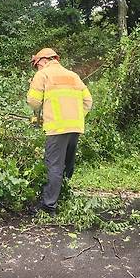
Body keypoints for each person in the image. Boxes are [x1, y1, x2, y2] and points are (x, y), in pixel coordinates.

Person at [27, 48, 92, 214]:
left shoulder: (43, 75)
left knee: (54, 166)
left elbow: (33, 102)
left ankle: (49, 206)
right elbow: (88, 101)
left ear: (42, 61)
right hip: (75, 127)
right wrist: (76, 116)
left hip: (57, 128)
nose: (37, 69)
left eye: (37, 66)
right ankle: (62, 195)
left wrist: (33, 88)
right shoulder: (73, 75)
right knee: (67, 164)